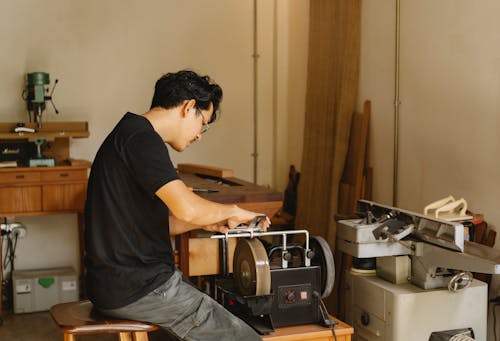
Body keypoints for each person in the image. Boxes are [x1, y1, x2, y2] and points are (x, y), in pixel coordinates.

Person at [84, 70, 269, 340]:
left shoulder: (131, 134)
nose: (199, 135)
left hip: (119, 285)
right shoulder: (142, 140)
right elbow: (187, 208)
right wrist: (232, 210)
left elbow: (157, 223)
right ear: (188, 107)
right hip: (138, 288)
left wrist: (212, 221)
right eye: (203, 123)